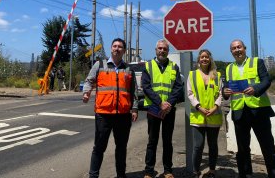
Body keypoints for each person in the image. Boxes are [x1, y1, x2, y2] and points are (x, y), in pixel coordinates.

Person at [223, 39, 275, 178]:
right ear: (231, 52)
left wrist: (255, 89)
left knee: (268, 147)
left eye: (239, 47)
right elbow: (226, 87)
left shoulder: (257, 62)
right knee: (243, 149)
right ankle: (245, 175)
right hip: (239, 112)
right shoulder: (229, 68)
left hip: (258, 110)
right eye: (234, 48)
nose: (237, 50)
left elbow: (266, 81)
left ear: (245, 48)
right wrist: (224, 92)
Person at [82, 38, 138, 178]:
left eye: (120, 47)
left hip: (123, 115)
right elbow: (89, 80)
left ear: (124, 51)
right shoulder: (99, 65)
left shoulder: (128, 69)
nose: (117, 48)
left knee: (121, 148)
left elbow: (134, 91)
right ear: (111, 48)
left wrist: (135, 109)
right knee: (99, 147)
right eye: (114, 46)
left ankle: (121, 175)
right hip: (104, 114)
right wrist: (86, 92)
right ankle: (93, 175)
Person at [142, 39, 183, 178]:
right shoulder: (148, 66)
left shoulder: (174, 67)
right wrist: (160, 103)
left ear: (168, 51)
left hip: (169, 110)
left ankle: (168, 170)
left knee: (167, 141)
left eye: (165, 49)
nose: (162, 51)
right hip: (154, 109)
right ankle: (149, 171)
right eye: (160, 48)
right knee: (152, 141)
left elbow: (178, 87)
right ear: (155, 50)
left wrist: (168, 103)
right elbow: (146, 87)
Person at [187, 49, 223, 178]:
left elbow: (220, 94)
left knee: (213, 145)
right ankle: (196, 172)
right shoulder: (192, 75)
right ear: (198, 60)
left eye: (206, 57)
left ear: (210, 59)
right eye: (202, 57)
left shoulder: (217, 75)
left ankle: (212, 170)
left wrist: (215, 107)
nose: (204, 59)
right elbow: (190, 93)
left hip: (214, 116)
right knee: (198, 146)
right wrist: (199, 107)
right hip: (198, 116)